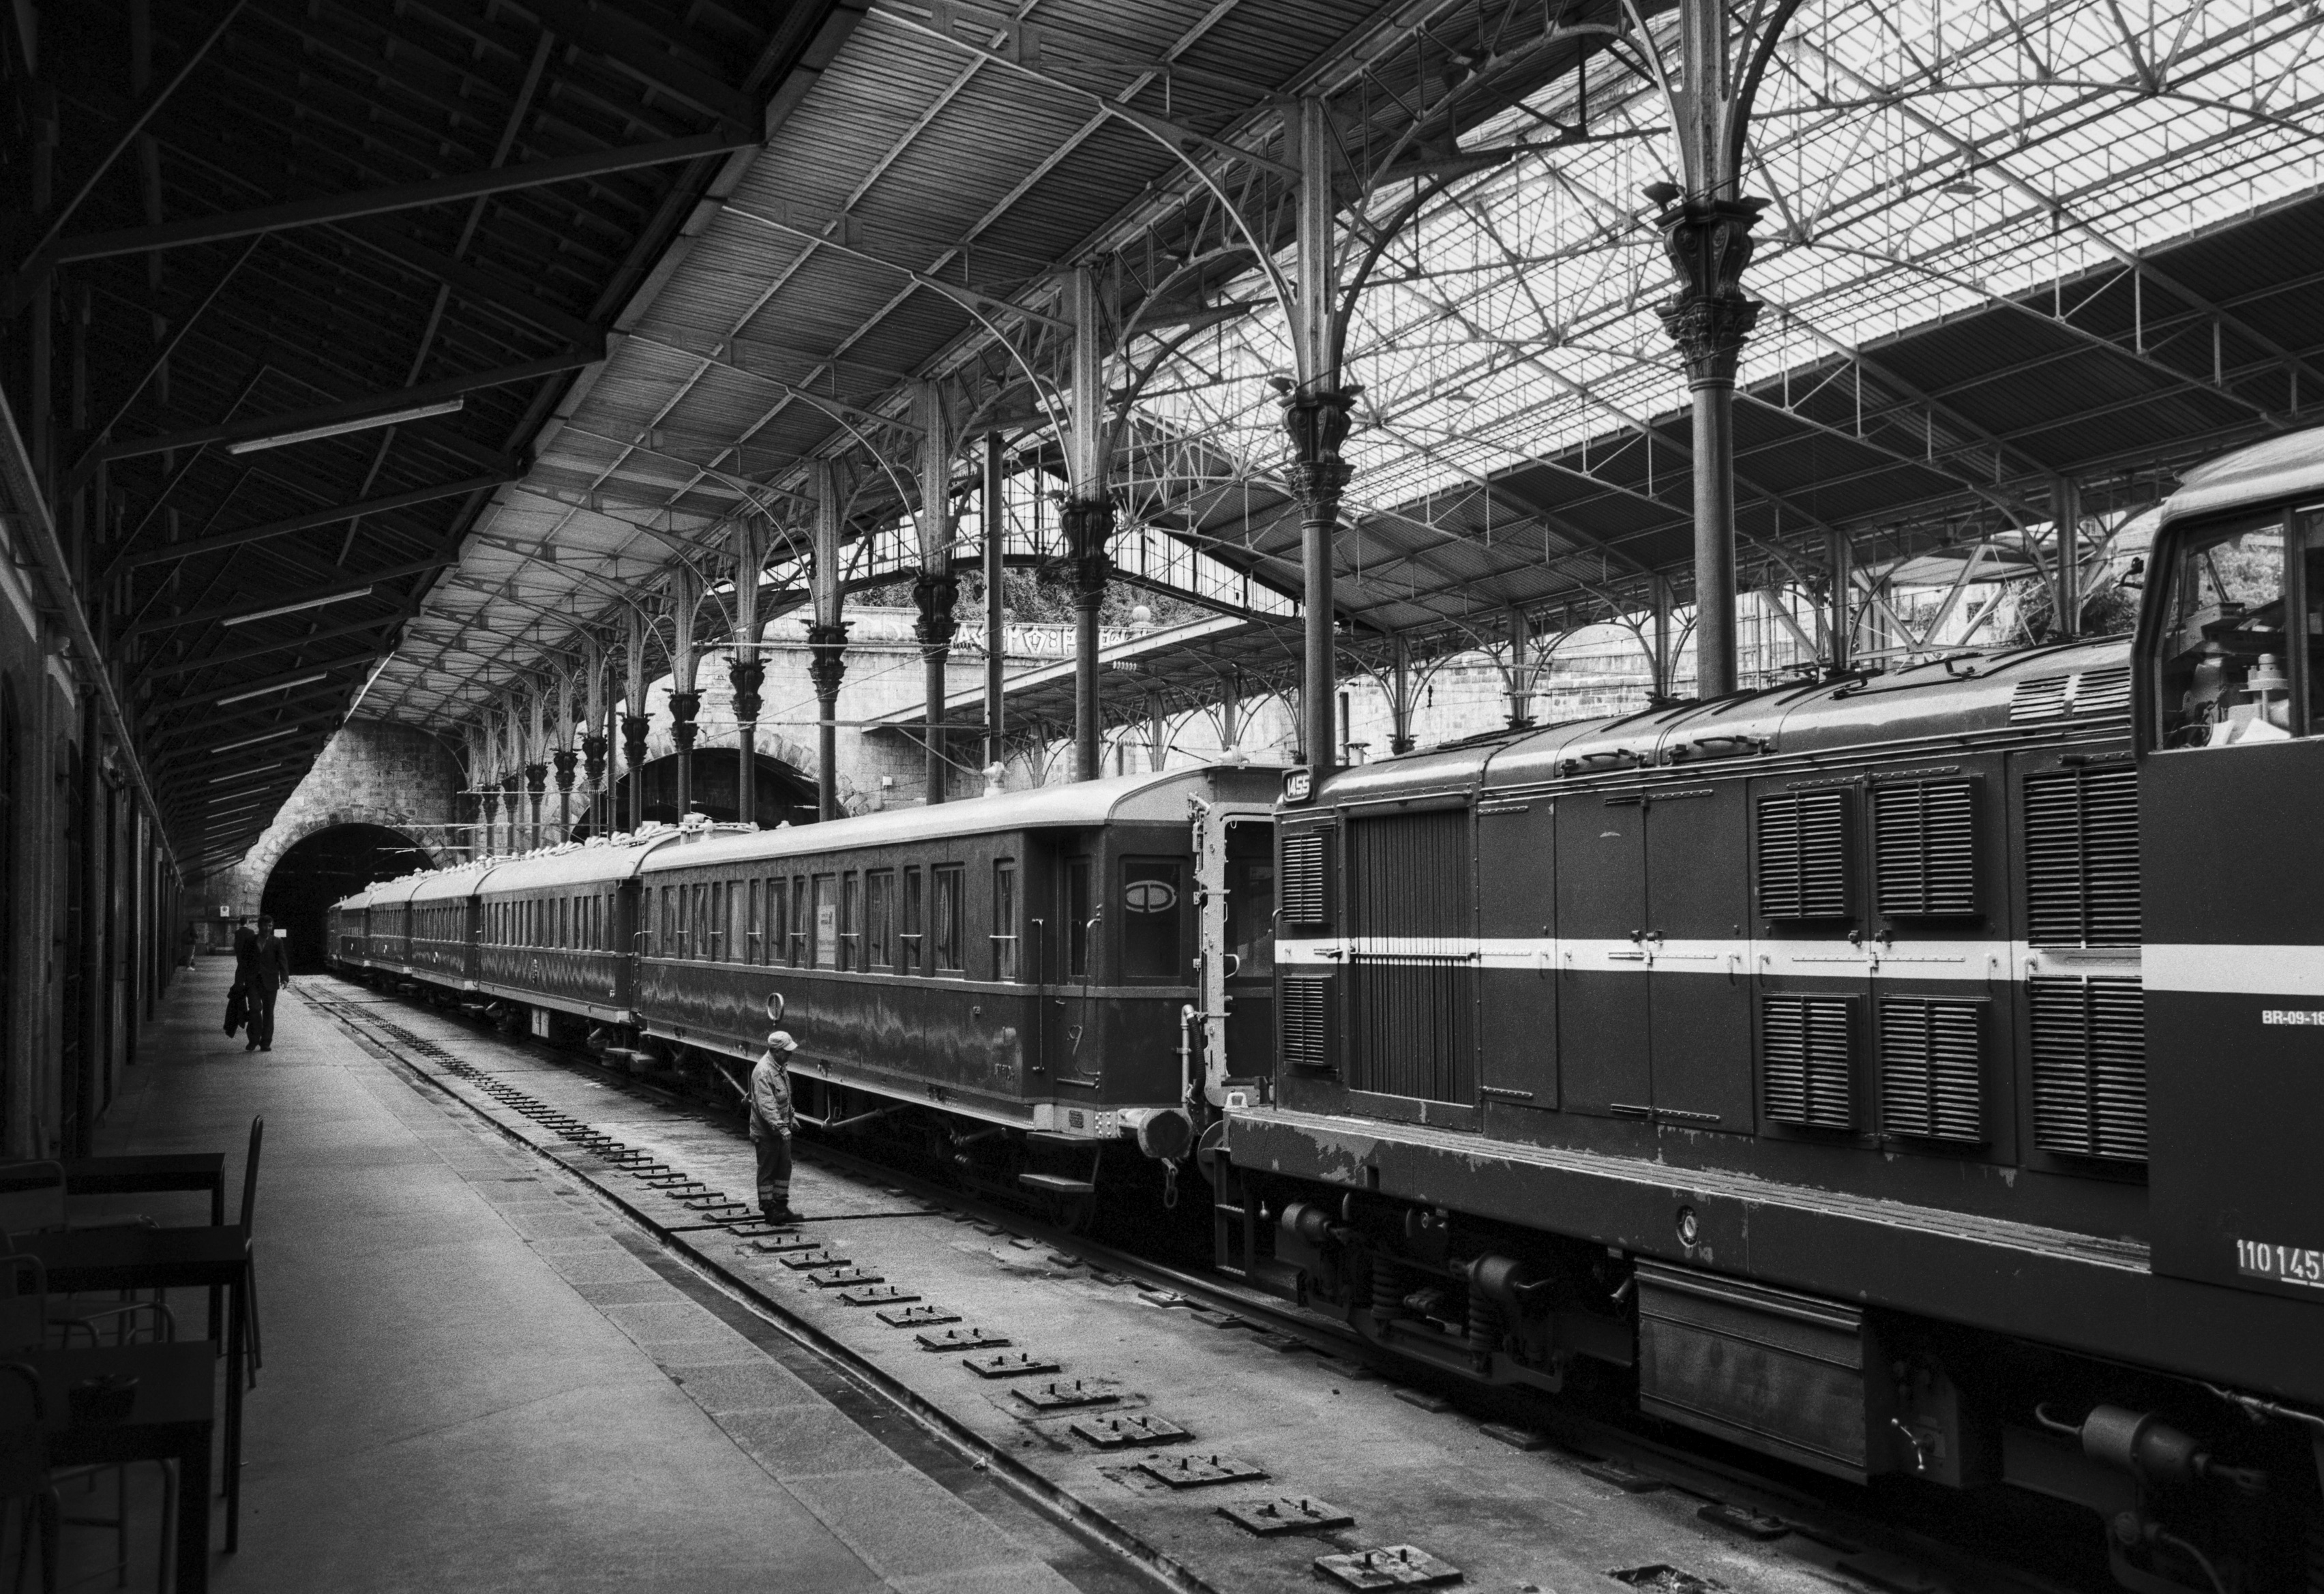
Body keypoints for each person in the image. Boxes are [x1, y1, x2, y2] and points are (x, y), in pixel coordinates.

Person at [749, 1031, 801, 1225]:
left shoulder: (779, 1067)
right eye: (786, 1051)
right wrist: (781, 1127)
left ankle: (781, 1206)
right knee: (767, 1172)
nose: (790, 1054)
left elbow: (784, 1099)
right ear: (776, 1050)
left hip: (780, 1131)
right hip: (767, 1133)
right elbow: (767, 1105)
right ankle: (769, 1210)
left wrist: (792, 1117)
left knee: (783, 1168)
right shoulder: (764, 1071)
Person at [245, 915, 293, 1052]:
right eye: (265, 926)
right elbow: (244, 962)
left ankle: (265, 1042)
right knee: (255, 1009)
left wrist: (285, 978)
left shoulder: (277, 942)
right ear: (259, 926)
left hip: (271, 982)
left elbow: (282, 960)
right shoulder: (250, 941)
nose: (268, 929)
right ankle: (253, 1040)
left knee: (268, 1013)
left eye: (270, 926)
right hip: (253, 981)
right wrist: (240, 981)